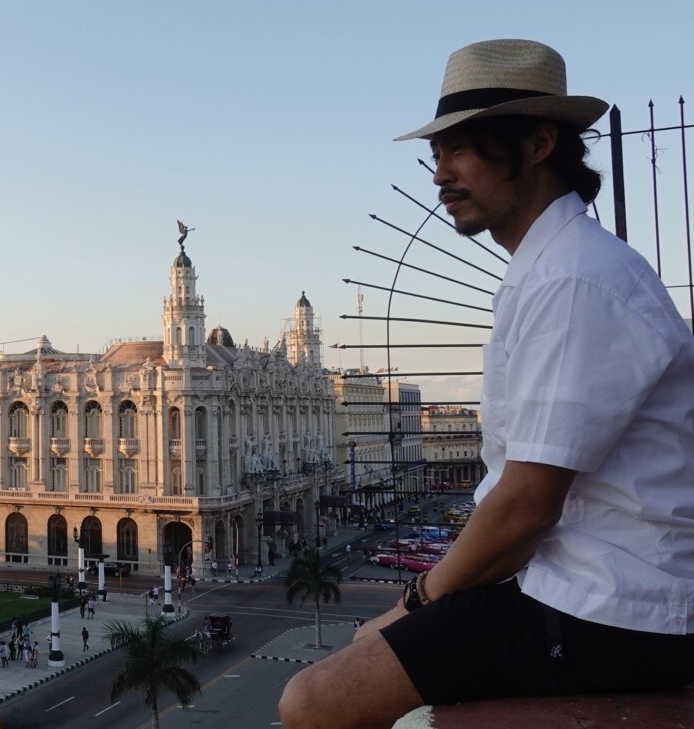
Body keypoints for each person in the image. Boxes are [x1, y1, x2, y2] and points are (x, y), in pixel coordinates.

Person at [278, 38, 694, 729]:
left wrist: (410, 603)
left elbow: (525, 506)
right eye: (437, 153)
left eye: (462, 149)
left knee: (313, 701)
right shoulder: (552, 269)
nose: (439, 173)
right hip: (576, 589)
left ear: (537, 142)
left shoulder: (572, 280)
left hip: (612, 609)